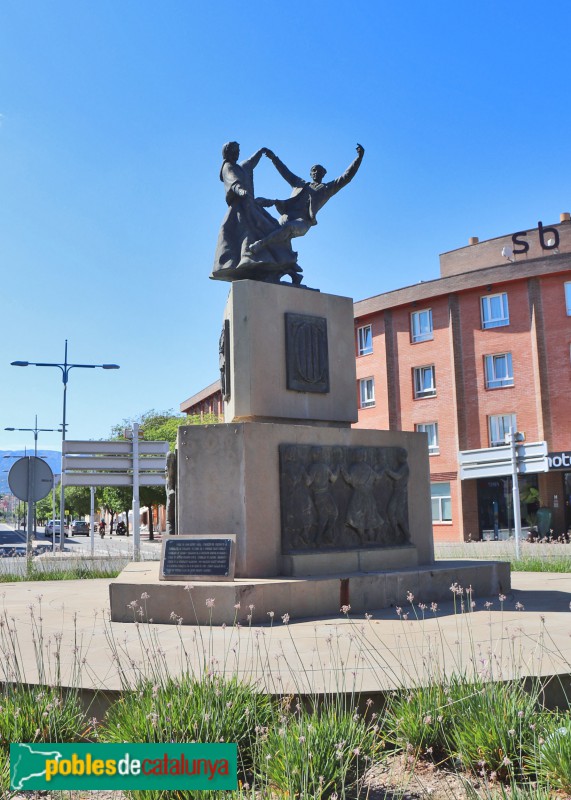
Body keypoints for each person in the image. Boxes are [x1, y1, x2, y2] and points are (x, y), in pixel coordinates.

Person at [211, 141, 302, 284]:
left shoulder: (240, 167)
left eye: (238, 150)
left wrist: (260, 152)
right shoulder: (228, 167)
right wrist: (240, 190)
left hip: (251, 206)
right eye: (235, 150)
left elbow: (250, 162)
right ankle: (253, 262)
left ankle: (285, 264)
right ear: (228, 152)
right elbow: (233, 182)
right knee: (248, 234)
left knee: (273, 229)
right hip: (240, 209)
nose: (238, 153)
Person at [248, 144, 365, 255]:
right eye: (314, 170)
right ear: (310, 173)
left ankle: (260, 244)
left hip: (302, 222)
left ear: (323, 174)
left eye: (319, 171)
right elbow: (285, 172)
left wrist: (359, 158)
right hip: (286, 216)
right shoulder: (299, 183)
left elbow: (346, 177)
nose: (316, 172)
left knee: (288, 228)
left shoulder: (326, 189)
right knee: (262, 204)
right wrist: (274, 158)